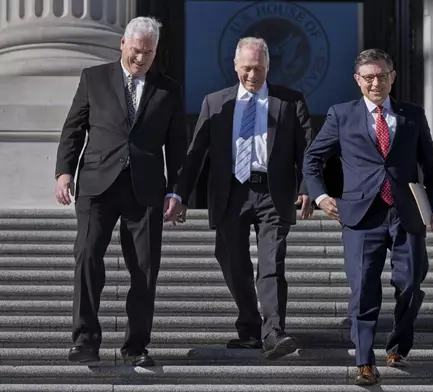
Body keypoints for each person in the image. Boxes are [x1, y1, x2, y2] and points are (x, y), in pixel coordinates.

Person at [303, 48, 433, 386]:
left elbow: (431, 163)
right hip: (361, 215)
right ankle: (364, 360)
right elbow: (313, 158)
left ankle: (398, 343)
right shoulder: (341, 114)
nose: (375, 82)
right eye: (368, 77)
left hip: (407, 212)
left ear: (392, 77)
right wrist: (321, 196)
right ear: (357, 80)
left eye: (382, 75)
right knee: (363, 288)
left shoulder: (412, 115)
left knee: (411, 283)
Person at [166, 37, 314, 360]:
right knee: (231, 261)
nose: (252, 75)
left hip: (273, 193)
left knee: (271, 262)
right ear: (235, 66)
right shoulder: (215, 102)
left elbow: (307, 153)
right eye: (246, 68)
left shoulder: (290, 102)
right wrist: (179, 193)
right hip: (231, 192)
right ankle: (249, 326)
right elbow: (195, 155)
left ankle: (274, 331)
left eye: (258, 69)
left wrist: (307, 189)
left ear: (268, 66)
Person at [54, 17, 187, 367]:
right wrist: (64, 171)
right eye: (136, 50)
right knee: (86, 257)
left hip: (144, 191)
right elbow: (73, 129)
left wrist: (176, 191)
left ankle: (136, 346)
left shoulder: (168, 89)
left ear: (155, 52)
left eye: (149, 52)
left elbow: (177, 147)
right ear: (123, 44)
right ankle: (84, 340)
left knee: (144, 269)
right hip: (97, 186)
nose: (141, 58)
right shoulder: (93, 79)